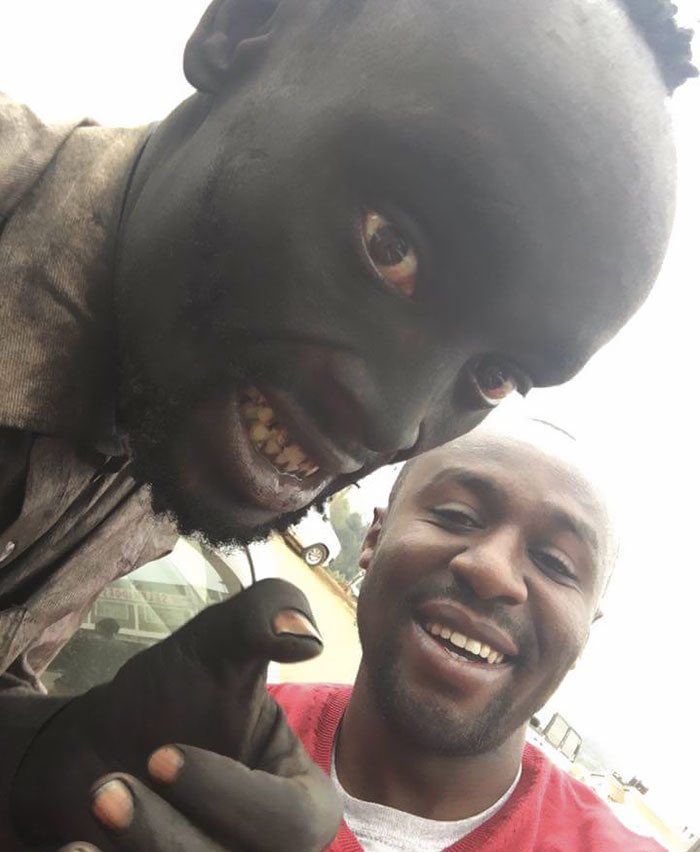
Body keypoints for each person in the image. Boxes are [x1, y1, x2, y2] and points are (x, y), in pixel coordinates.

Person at [0, 0, 694, 848]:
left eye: (493, 375)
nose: (399, 427)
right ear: (242, 26)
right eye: (390, 246)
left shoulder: (162, 436)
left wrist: (36, 760)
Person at [268, 419, 665, 851]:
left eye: (556, 562)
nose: (492, 572)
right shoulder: (223, 731)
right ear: (374, 537)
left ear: (585, 636)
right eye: (457, 515)